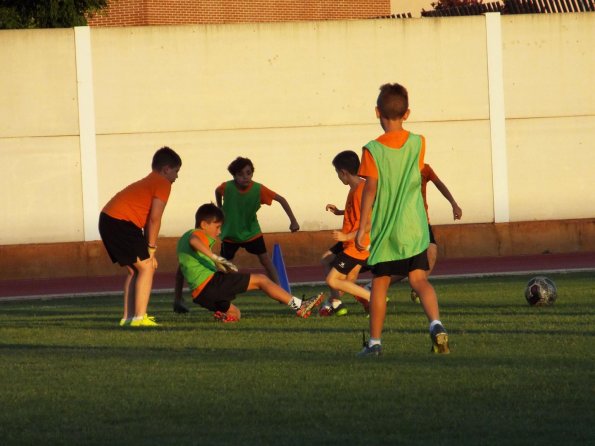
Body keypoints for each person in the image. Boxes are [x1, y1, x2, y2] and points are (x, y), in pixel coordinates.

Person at [355, 83, 450, 357]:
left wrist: (363, 227)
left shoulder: (372, 149)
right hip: (414, 227)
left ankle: (374, 343)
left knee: (380, 283)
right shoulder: (418, 142)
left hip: (388, 230)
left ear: (377, 112)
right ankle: (436, 323)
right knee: (419, 280)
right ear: (407, 113)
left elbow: (370, 189)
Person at [175, 203, 323, 321]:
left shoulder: (183, 240)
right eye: (217, 227)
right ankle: (299, 305)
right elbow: (195, 241)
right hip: (210, 284)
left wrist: (178, 298)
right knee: (262, 280)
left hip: (201, 296)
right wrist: (215, 258)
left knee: (235, 313)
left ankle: (224, 318)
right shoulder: (197, 234)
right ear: (204, 224)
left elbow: (180, 270)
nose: (219, 232)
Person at [98, 146, 182, 327]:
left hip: (109, 219)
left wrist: (149, 249)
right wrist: (151, 251)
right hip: (120, 222)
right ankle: (139, 318)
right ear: (166, 169)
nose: (176, 176)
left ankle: (128, 318)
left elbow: (146, 220)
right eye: (176, 171)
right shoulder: (163, 183)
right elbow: (154, 219)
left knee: (135, 269)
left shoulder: (150, 181)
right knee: (146, 268)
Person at [215, 157, 300, 284]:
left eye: (248, 173)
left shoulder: (258, 189)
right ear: (234, 176)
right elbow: (217, 191)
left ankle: (279, 288)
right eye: (240, 174)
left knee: (265, 260)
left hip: (251, 232)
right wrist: (220, 207)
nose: (245, 177)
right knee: (224, 264)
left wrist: (293, 221)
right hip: (231, 233)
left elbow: (281, 199)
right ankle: (220, 288)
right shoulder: (227, 187)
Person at [319, 150, 371, 317]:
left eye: (337, 173)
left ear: (344, 172)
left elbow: (370, 222)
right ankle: (336, 302)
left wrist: (347, 237)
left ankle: (371, 297)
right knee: (326, 258)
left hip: (357, 242)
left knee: (334, 279)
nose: (338, 177)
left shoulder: (362, 191)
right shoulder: (355, 187)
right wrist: (340, 212)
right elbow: (358, 213)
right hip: (349, 239)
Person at [408, 163, 462, 302]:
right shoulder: (401, 166)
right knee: (405, 263)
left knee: (431, 253)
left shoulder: (425, 168)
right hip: (405, 222)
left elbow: (439, 184)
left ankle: (417, 288)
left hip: (422, 220)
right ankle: (373, 286)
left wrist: (454, 204)